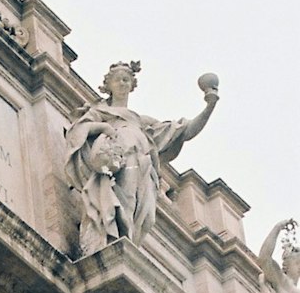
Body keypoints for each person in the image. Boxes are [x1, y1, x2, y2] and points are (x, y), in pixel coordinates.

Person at [65, 62, 218, 257]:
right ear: (108, 85)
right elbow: (78, 130)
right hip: (120, 162)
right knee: (121, 205)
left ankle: (126, 245)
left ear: (132, 85)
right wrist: (104, 128)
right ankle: (112, 243)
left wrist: (210, 105)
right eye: (117, 79)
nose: (122, 83)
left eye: (126, 80)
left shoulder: (142, 122)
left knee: (147, 219)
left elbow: (184, 131)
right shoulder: (100, 112)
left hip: (144, 168)